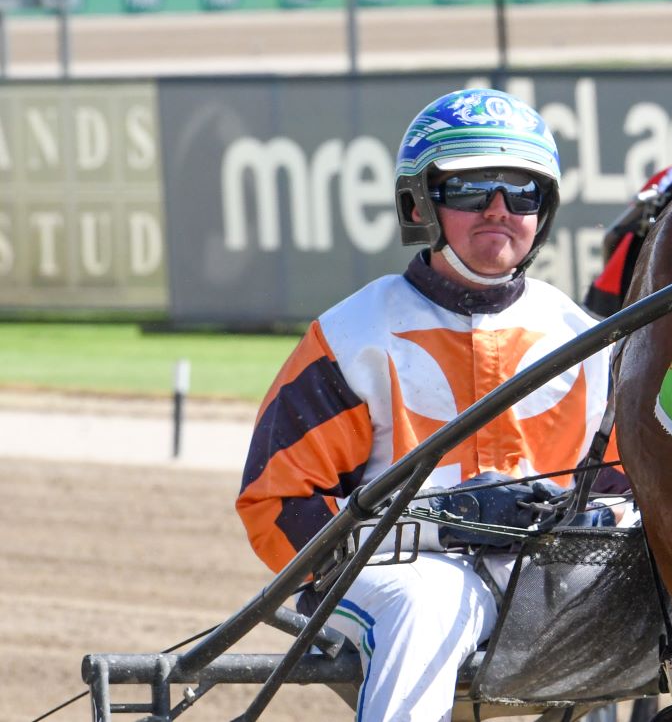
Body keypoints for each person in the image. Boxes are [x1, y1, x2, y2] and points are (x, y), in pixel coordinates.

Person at [237, 87, 609, 722]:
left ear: (542, 211)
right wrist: (443, 526)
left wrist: (589, 519)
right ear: (422, 202)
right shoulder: (354, 335)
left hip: (551, 577)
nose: (499, 210)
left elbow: (630, 486)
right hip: (407, 579)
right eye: (471, 190)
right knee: (427, 602)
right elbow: (276, 504)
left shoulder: (587, 338)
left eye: (521, 193)